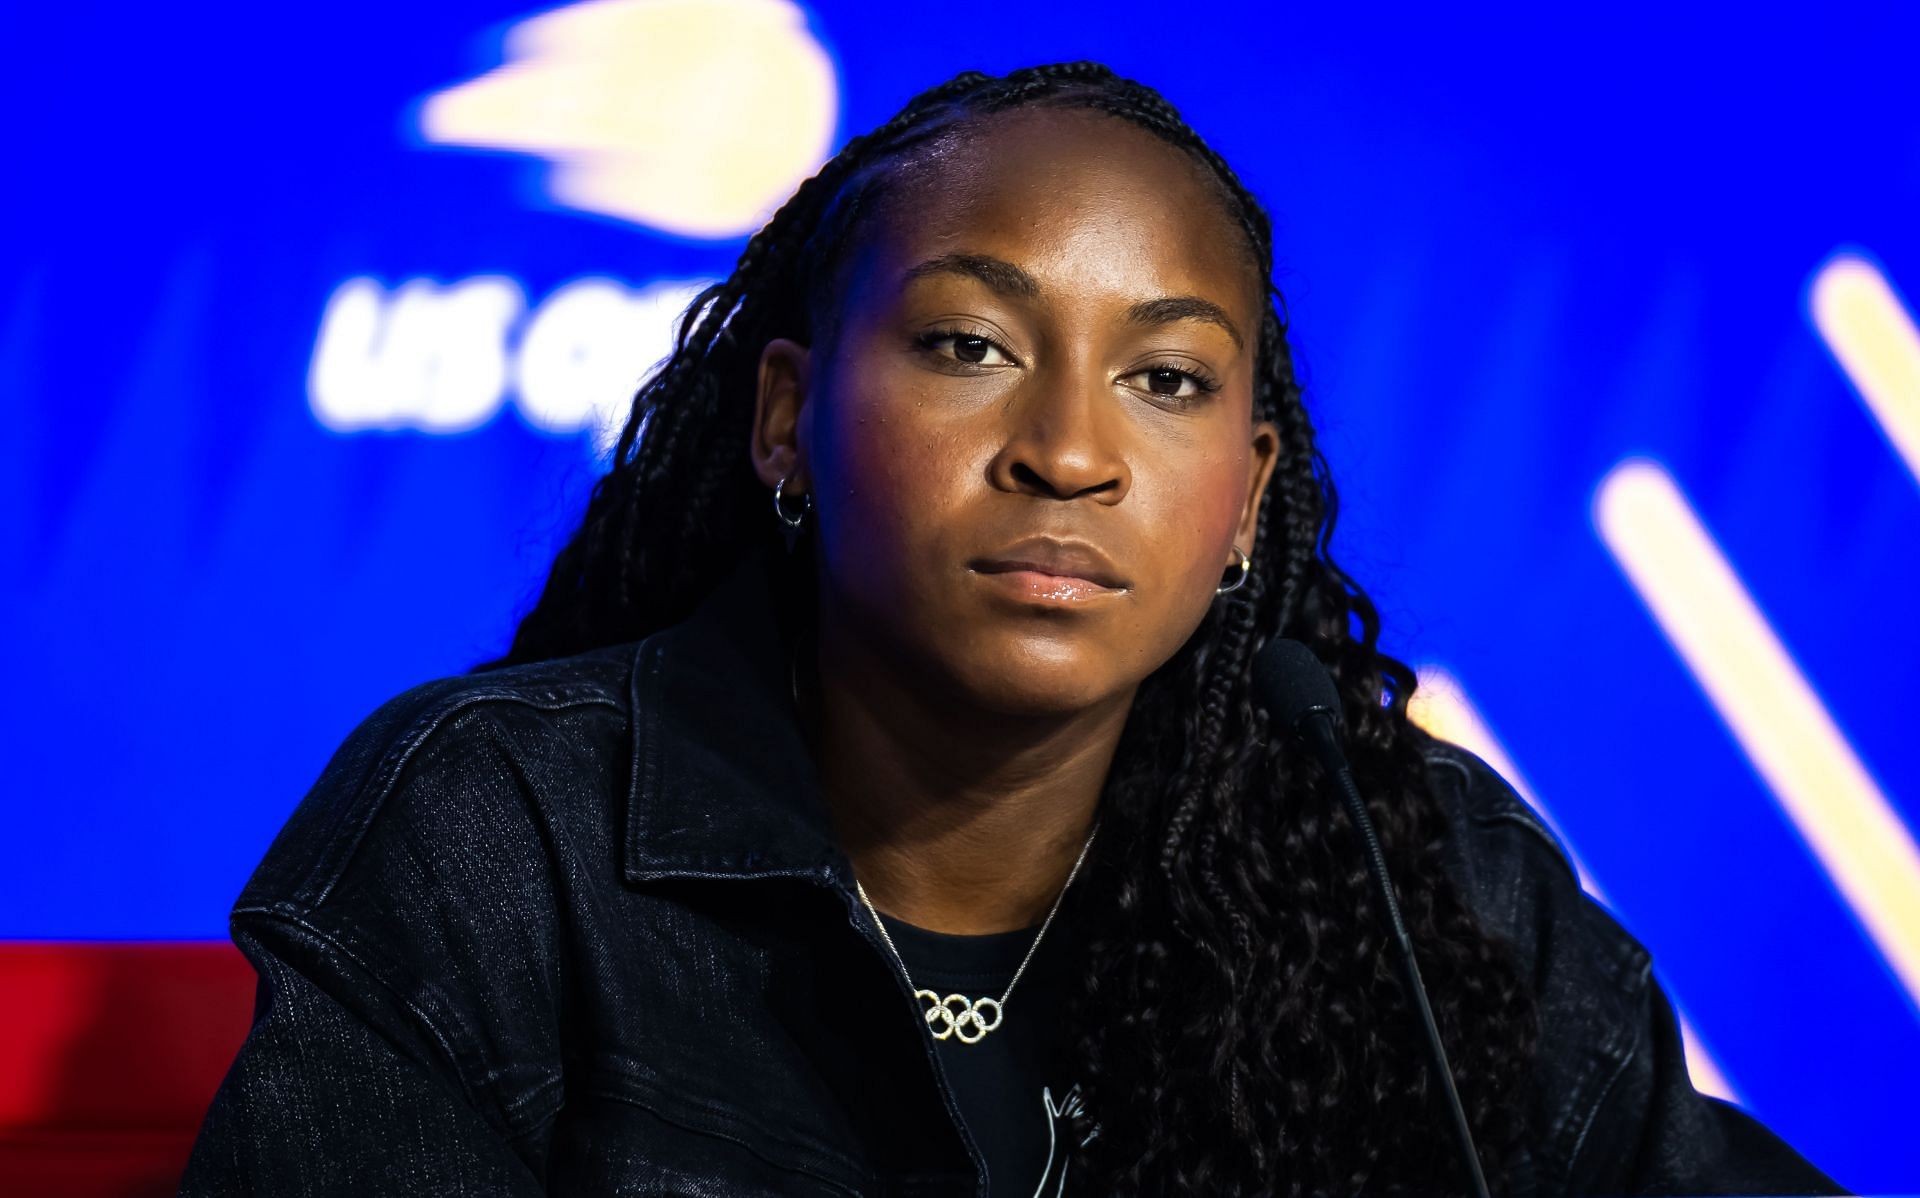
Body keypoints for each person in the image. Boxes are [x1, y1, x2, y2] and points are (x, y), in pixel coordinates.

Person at [181, 63, 1843, 1196]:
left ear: (1248, 494)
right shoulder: (500, 835)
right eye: (971, 346)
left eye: (1169, 377)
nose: (1069, 447)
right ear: (785, 418)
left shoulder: (1412, 876)